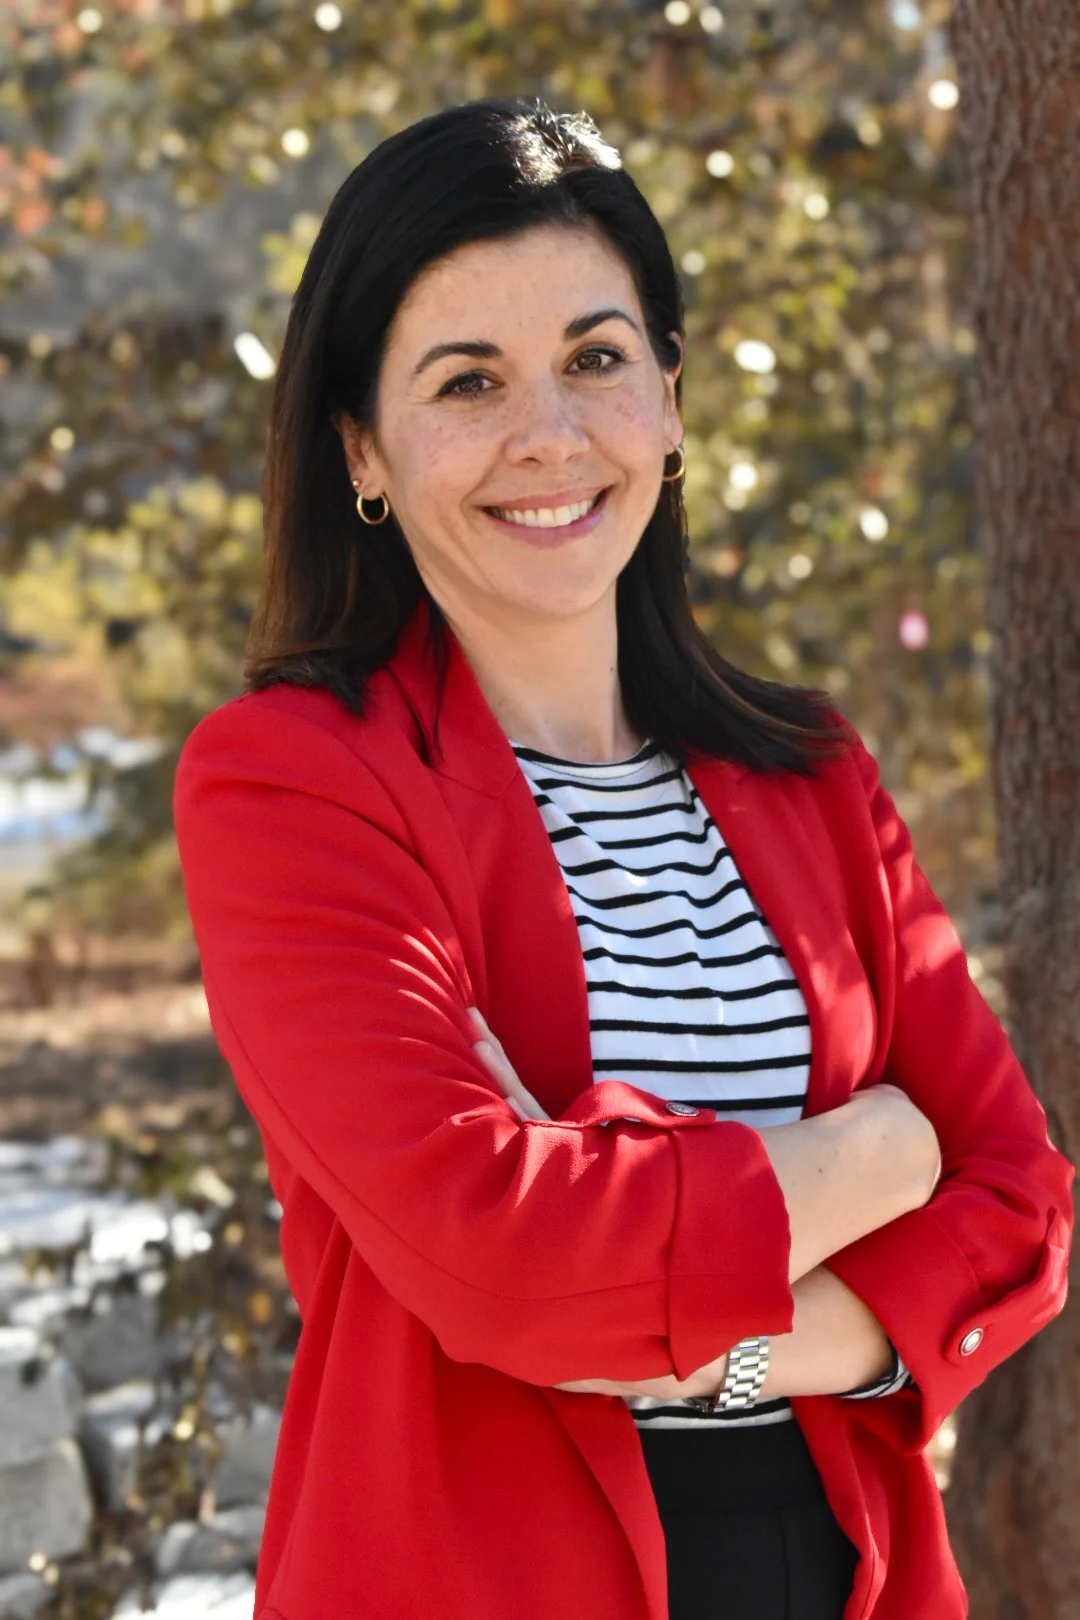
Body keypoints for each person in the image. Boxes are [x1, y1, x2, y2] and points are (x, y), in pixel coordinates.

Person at [172, 97, 1073, 1620]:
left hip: (840, 1562)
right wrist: (878, 1152)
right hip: (479, 1575)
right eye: (469, 382)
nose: (551, 435)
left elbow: (1021, 1201)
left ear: (668, 396)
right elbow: (502, 1258)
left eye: (596, 359)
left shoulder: (814, 774)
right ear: (362, 453)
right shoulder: (295, 782)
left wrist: (696, 1302)